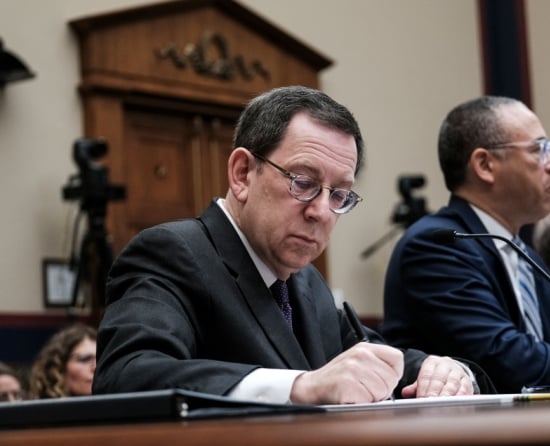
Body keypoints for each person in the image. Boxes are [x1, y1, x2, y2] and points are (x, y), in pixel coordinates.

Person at [92, 85, 495, 405]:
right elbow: (127, 375)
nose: (322, 211)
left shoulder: (305, 284)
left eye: (340, 195)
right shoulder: (172, 252)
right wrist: (299, 387)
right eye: (303, 183)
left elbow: (366, 357)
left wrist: (435, 369)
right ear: (242, 173)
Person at [382, 95, 550, 394]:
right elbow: (509, 364)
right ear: (485, 165)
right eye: (538, 150)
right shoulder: (436, 245)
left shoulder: (524, 255)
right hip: (460, 435)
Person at [28, 322, 97, 399]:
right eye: (84, 359)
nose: (95, 367)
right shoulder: (39, 410)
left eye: (100, 360)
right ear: (59, 368)